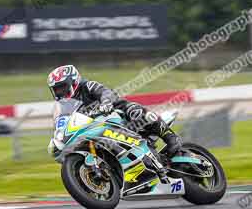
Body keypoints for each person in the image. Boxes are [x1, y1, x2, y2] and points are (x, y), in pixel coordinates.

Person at [47, 64, 183, 158]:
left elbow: (105, 92)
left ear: (73, 81)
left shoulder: (88, 86)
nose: (61, 92)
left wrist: (106, 102)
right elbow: (62, 120)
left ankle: (171, 138)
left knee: (134, 110)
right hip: (95, 130)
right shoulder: (64, 106)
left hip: (117, 115)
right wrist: (58, 137)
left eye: (62, 87)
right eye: (57, 90)